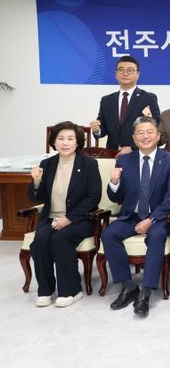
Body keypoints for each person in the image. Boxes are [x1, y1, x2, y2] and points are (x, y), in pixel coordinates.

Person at [101, 117, 170, 317]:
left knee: (156, 236)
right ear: (134, 138)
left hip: (159, 216)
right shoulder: (124, 160)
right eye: (140, 133)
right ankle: (128, 287)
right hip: (131, 215)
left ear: (158, 136)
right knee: (109, 234)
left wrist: (151, 220)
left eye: (150, 132)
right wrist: (114, 182)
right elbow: (116, 197)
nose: (145, 136)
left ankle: (145, 292)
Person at [29, 121, 102, 308]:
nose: (65, 143)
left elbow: (93, 197)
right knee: (40, 240)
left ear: (78, 142)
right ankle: (46, 290)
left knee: (60, 239)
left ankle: (71, 290)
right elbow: (36, 197)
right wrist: (36, 182)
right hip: (51, 218)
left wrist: (68, 219)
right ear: (54, 142)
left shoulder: (88, 164)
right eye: (60, 138)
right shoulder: (47, 164)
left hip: (81, 219)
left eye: (70, 138)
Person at [90, 55, 160, 155]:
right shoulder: (107, 100)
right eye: (121, 70)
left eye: (130, 70)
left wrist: (132, 148)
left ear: (138, 74)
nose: (125, 73)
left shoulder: (148, 98)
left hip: (139, 154)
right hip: (113, 154)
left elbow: (155, 127)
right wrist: (97, 130)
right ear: (116, 74)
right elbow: (102, 130)